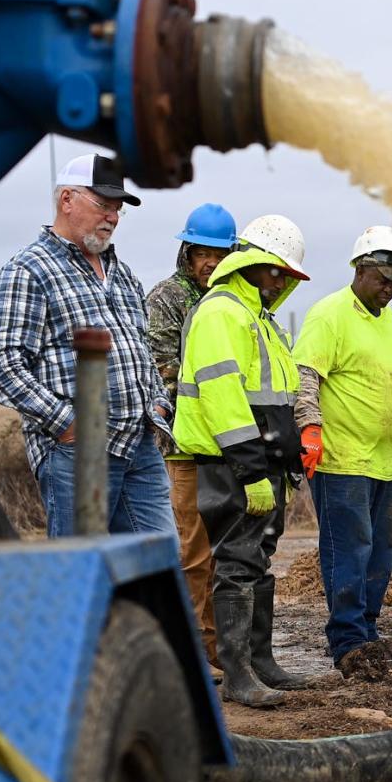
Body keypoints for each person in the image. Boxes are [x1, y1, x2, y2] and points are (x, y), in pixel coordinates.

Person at [0, 153, 175, 537]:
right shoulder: (29, 270)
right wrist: (68, 425)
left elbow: (139, 349)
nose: (112, 216)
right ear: (67, 200)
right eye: (103, 205)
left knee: (158, 570)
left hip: (139, 446)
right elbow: (3, 362)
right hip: (79, 454)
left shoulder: (122, 274)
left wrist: (157, 402)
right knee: (85, 573)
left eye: (118, 209)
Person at [173, 214, 311, 707]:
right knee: (234, 564)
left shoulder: (262, 321)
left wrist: (287, 466)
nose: (281, 282)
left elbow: (278, 399)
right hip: (230, 463)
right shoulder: (221, 312)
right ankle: (237, 676)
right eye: (277, 272)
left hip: (262, 464)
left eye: (286, 276)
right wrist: (252, 469)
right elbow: (223, 398)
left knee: (258, 561)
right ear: (254, 264)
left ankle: (261, 662)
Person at [292, 226, 392, 672]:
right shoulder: (329, 315)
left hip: (382, 460)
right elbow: (305, 376)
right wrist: (309, 427)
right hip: (342, 458)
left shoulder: (386, 321)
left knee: (381, 551)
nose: (389, 290)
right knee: (349, 550)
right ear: (360, 269)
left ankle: (367, 630)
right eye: (383, 279)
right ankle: (348, 642)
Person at [146, 204, 237, 671]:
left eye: (221, 255)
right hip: (185, 447)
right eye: (204, 253)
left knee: (226, 557)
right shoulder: (167, 298)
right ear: (188, 251)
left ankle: (221, 649)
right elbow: (161, 365)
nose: (212, 263)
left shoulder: (231, 302)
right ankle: (196, 654)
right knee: (193, 553)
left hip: (226, 445)